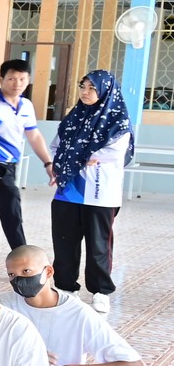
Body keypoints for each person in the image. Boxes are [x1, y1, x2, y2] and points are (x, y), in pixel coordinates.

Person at [2, 244, 142, 366]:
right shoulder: (3, 304)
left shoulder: (79, 314)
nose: (19, 280)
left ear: (48, 271)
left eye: (26, 271)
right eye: (12, 275)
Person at [49, 68, 133, 311]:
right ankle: (65, 286)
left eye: (92, 88)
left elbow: (111, 153)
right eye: (82, 87)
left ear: (105, 91)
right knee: (65, 240)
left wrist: (78, 155)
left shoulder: (117, 121)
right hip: (69, 190)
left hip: (99, 193)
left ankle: (100, 291)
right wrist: (63, 161)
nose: (85, 92)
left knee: (98, 244)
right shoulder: (74, 118)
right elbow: (57, 146)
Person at [0, 57, 55, 249]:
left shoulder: (26, 106)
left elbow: (34, 136)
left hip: (10, 166)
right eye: (11, 79)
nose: (17, 84)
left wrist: (48, 163)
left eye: (22, 79)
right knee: (11, 212)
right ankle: (24, 259)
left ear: (28, 80)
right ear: (1, 80)